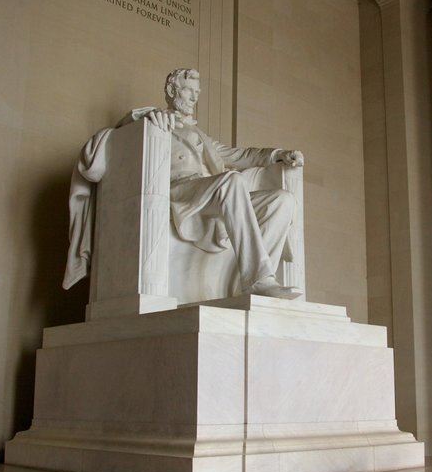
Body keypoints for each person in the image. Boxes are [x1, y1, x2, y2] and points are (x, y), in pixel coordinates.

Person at [63, 68, 304, 299]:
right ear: (171, 90)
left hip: (209, 192)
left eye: (197, 92)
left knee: (282, 200)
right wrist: (145, 117)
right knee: (232, 181)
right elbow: (121, 133)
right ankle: (258, 279)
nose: (194, 97)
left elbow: (239, 155)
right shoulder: (153, 120)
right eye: (189, 90)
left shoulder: (201, 136)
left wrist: (277, 155)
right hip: (178, 192)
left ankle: (261, 283)